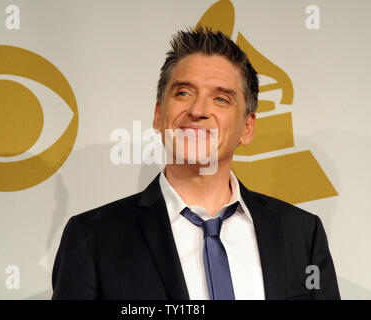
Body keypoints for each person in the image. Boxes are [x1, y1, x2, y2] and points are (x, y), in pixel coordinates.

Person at [51, 27, 340, 300]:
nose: (198, 110)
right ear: (158, 115)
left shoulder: (301, 234)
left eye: (221, 99)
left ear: (247, 128)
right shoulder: (94, 239)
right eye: (183, 93)